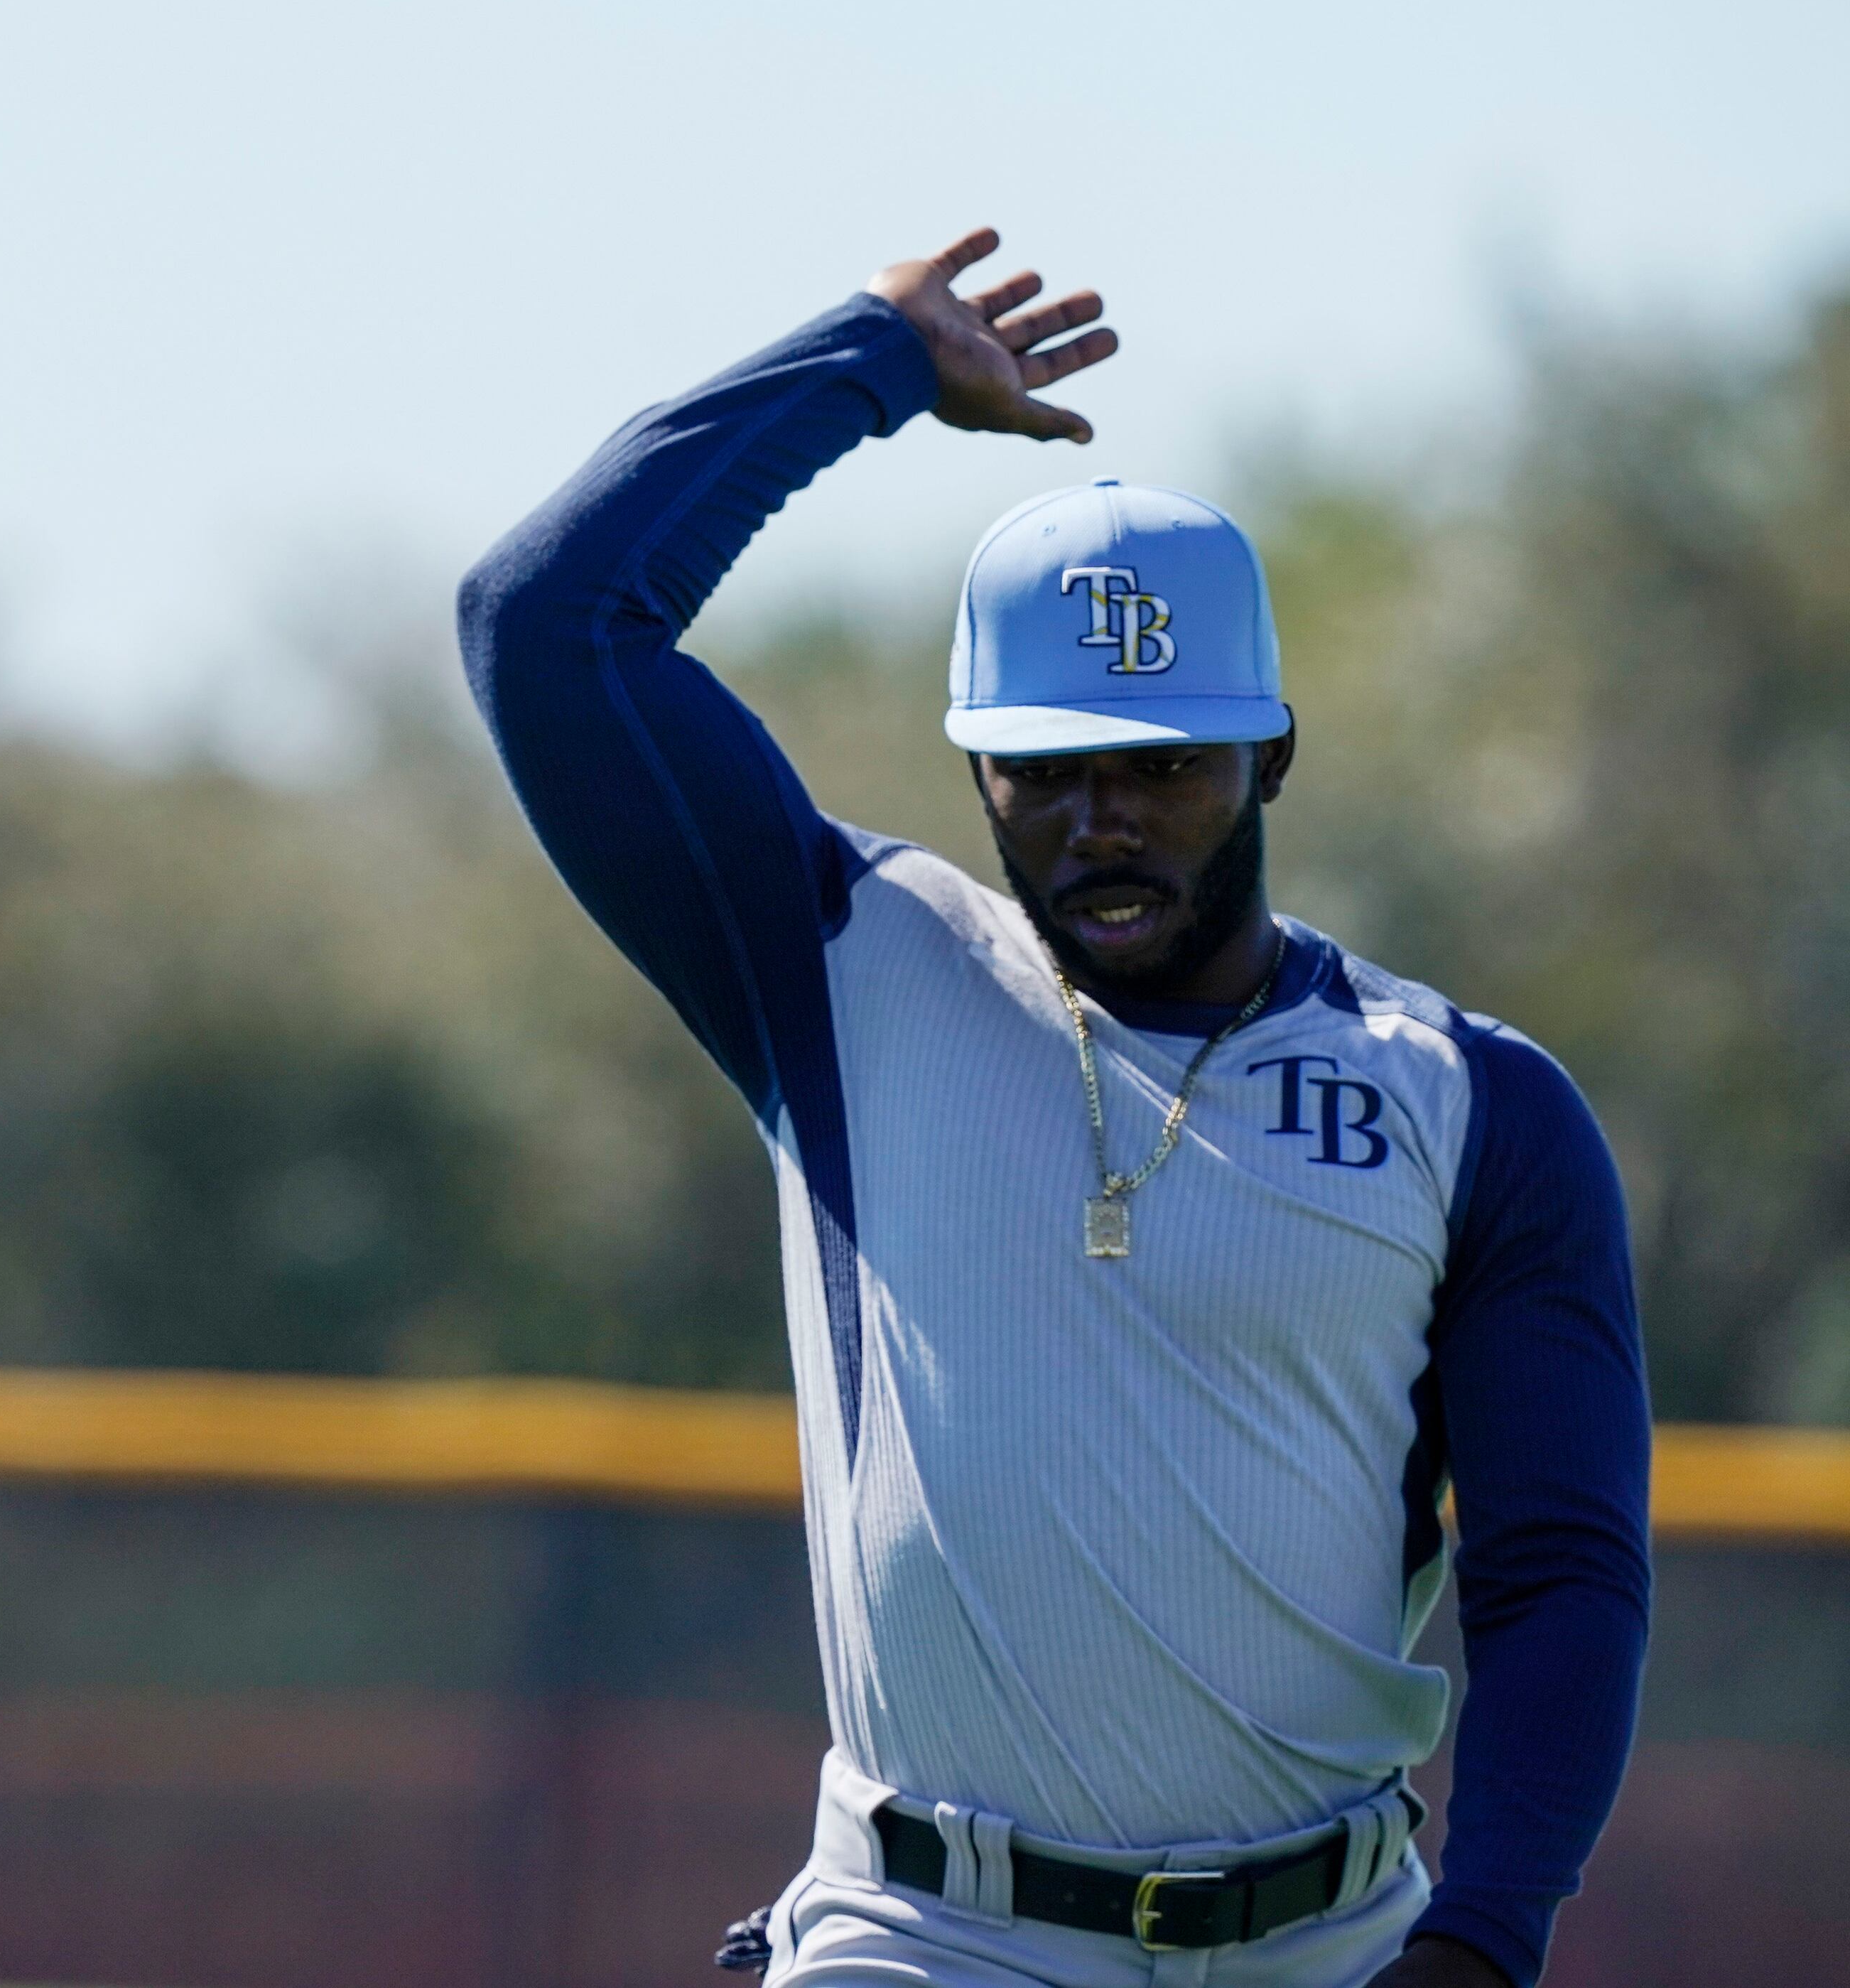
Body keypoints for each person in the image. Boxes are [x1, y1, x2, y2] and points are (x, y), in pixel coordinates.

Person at [454, 236, 1648, 1988]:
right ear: (974, 768)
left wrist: (1482, 1939)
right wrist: (864, 363)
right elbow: (542, 626)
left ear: (1271, 757)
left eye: (1161, 764)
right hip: (923, 1932)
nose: (1102, 819)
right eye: (1046, 767)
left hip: (1333, 1942)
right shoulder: (841, 962)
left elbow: (1558, 1571)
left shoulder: (1472, 1103)